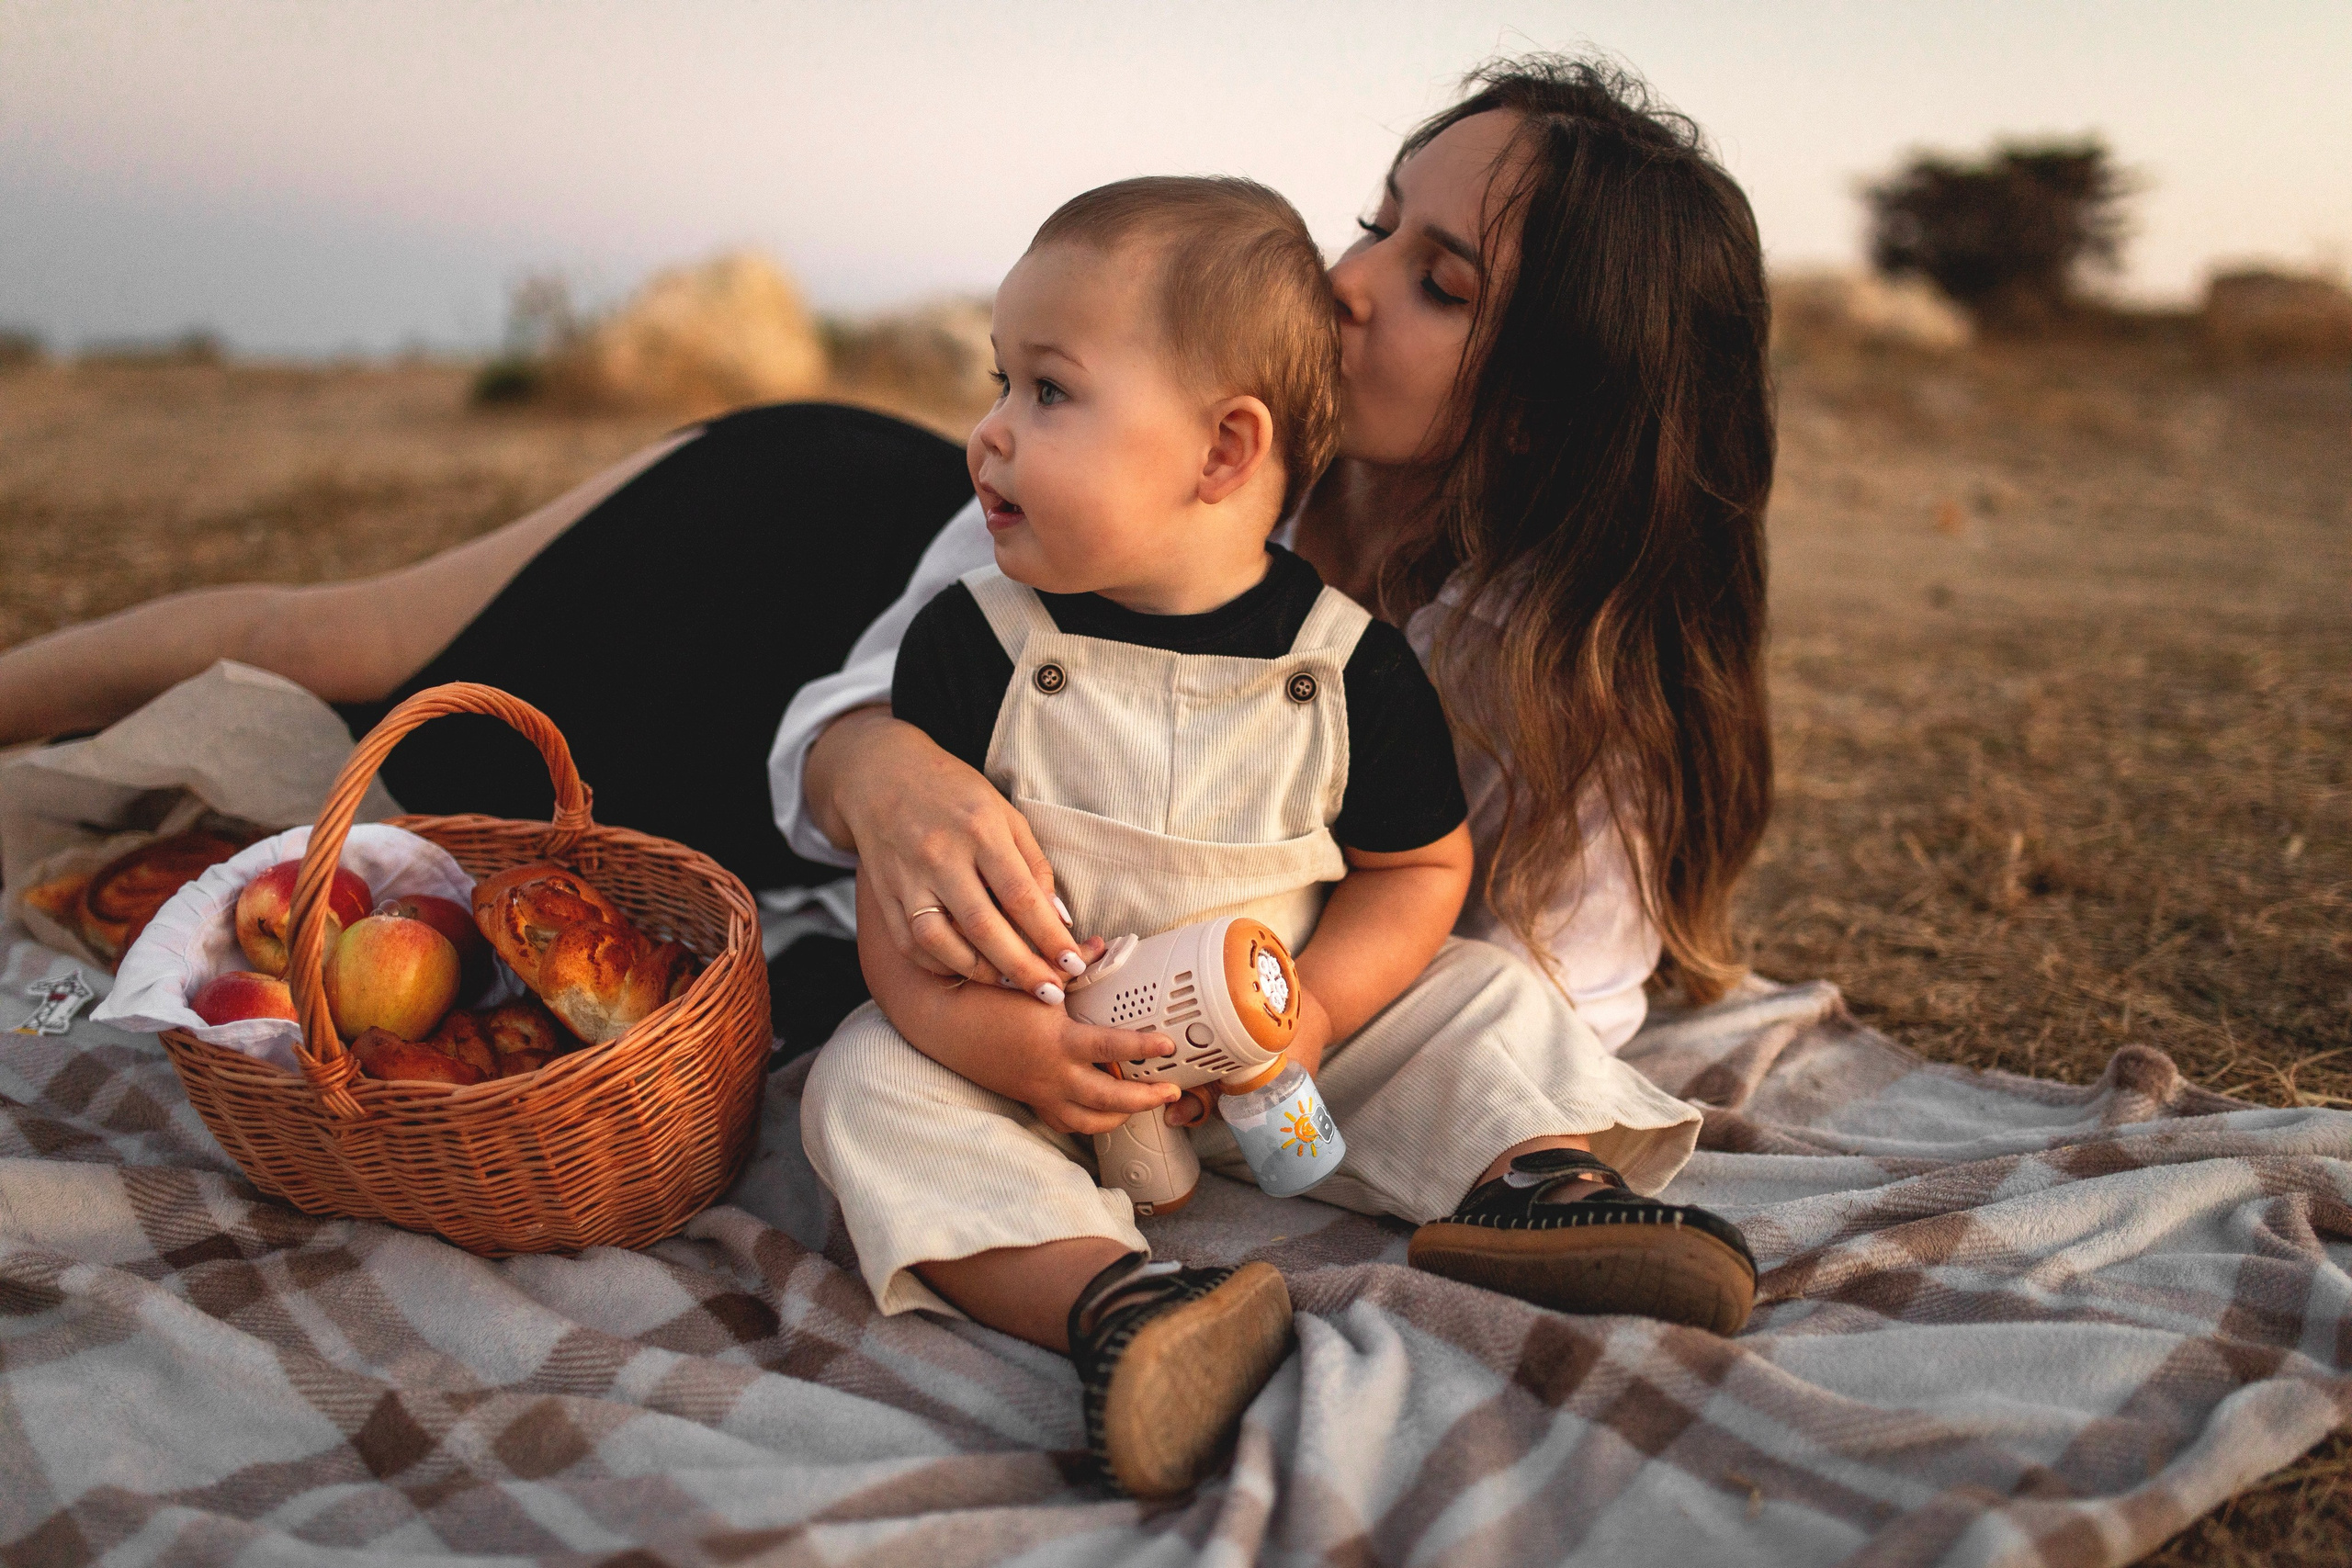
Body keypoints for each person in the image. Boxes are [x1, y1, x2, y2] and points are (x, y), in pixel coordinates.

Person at [0, 47, 1772, 1340]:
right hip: (799, 566)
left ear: (1544, 403)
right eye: (1376, 223)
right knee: (357, 646)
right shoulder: (1137, 472)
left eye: (1435, 281)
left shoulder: (1563, 674)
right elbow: (865, 697)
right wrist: (886, 778)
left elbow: (1531, 982)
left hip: (975, 940)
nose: (1346, 276)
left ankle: (1487, 1226)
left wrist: (1248, 1032)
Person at [797, 172, 1744, 1499]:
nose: (989, 435)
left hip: (1286, 1058)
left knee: (1480, 996)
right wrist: (988, 1040)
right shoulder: (978, 633)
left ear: (1224, 453)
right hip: (1038, 1051)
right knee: (865, 1085)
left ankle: (1536, 1185)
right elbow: (907, 914)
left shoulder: (1351, 664)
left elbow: (1419, 871)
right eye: (999, 382)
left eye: (1047, 392)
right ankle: (1120, 1304)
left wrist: (1318, 1010)